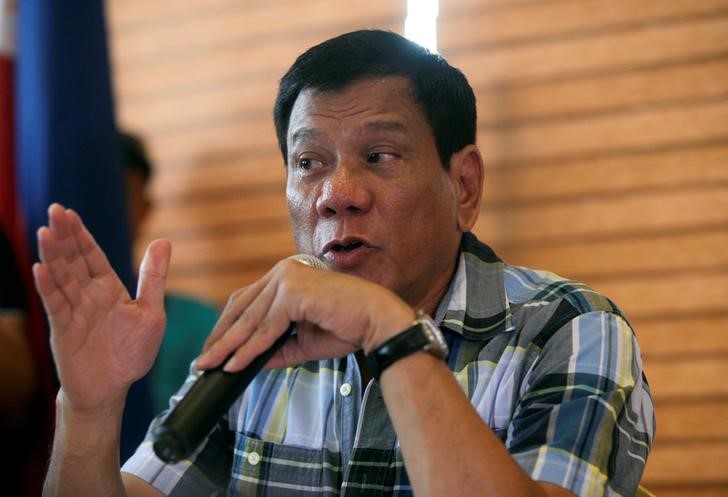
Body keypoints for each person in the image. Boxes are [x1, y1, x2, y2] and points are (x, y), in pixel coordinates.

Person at [34, 30, 655, 497]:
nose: (337, 193)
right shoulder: (261, 343)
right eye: (309, 163)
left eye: (380, 155)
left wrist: (390, 333)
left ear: (463, 186)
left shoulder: (568, 329)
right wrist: (90, 408)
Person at [120, 131, 220, 414]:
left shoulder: (198, 323)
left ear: (145, 207)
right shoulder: (40, 320)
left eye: (122, 196)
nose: (110, 213)